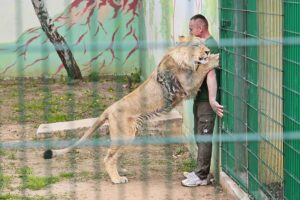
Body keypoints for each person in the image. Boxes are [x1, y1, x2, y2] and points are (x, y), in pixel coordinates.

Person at [181, 14, 224, 187]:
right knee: (199, 134)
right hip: (199, 96)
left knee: (204, 135)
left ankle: (201, 175)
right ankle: (200, 171)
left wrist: (213, 100)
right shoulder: (201, 45)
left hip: (206, 99)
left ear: (200, 28)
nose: (190, 31)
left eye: (191, 28)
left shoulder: (209, 45)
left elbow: (210, 73)